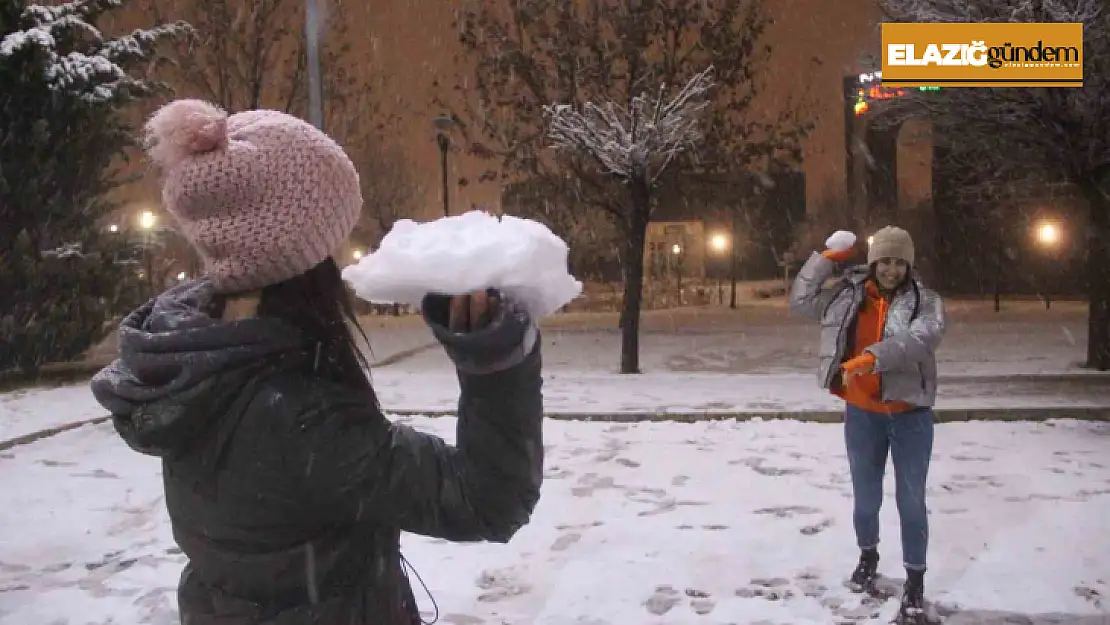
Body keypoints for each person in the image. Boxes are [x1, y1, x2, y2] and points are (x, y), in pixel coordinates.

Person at [90, 99, 545, 625]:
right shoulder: (301, 416)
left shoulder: (193, 363)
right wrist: (495, 360)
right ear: (303, 257)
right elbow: (488, 498)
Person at [788, 226, 946, 623]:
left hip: (910, 415)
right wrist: (825, 259)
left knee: (910, 501)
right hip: (862, 414)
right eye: (884, 261)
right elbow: (802, 300)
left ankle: (915, 581)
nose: (891, 270)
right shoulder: (847, 294)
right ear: (873, 263)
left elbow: (919, 340)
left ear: (908, 264)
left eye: (898, 262)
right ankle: (868, 558)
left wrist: (874, 358)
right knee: (866, 498)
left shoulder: (925, 302)